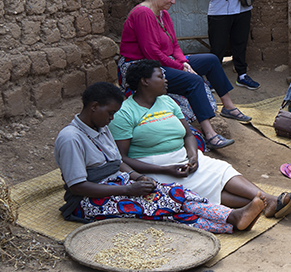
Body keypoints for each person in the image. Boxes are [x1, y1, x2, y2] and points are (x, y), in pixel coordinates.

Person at [54, 82, 264, 233]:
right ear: (93, 107)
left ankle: (232, 217)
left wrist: (137, 178)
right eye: (110, 113)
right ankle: (231, 220)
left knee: (177, 193)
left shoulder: (100, 126)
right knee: (162, 208)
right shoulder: (71, 138)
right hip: (87, 201)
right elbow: (78, 187)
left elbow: (117, 163)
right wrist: (127, 189)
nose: (112, 118)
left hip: (118, 184)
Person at [110, 59, 291, 219]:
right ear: (144, 81)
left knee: (220, 170)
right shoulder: (125, 113)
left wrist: (194, 155)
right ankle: (267, 203)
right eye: (161, 76)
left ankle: (267, 200)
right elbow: (122, 158)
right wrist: (164, 169)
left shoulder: (167, 101)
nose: (166, 80)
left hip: (183, 158)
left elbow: (187, 134)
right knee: (197, 188)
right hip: (152, 166)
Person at [119, 0, 253, 150]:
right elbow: (151, 52)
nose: (174, 2)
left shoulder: (163, 14)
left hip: (165, 60)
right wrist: (181, 67)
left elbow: (174, 44)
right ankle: (210, 134)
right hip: (141, 65)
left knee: (211, 60)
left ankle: (228, 106)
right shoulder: (142, 13)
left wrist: (183, 61)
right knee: (194, 80)